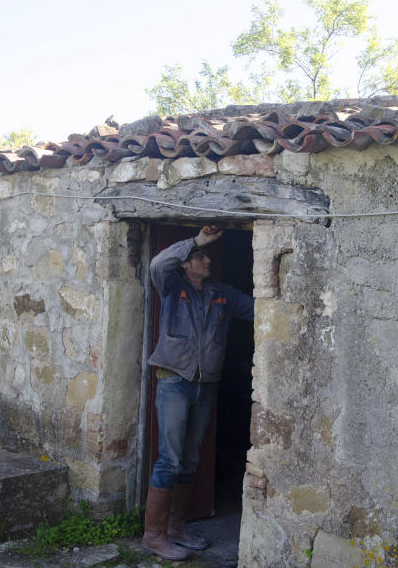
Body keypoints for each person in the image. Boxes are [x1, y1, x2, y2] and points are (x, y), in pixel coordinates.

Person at [142, 225, 255, 561]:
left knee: (189, 460)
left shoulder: (222, 294)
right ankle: (154, 535)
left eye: (206, 255)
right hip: (174, 381)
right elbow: (158, 264)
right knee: (170, 459)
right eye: (200, 257)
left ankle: (176, 529)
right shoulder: (171, 285)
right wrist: (194, 241)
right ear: (186, 264)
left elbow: (259, 306)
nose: (207, 260)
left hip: (205, 385)